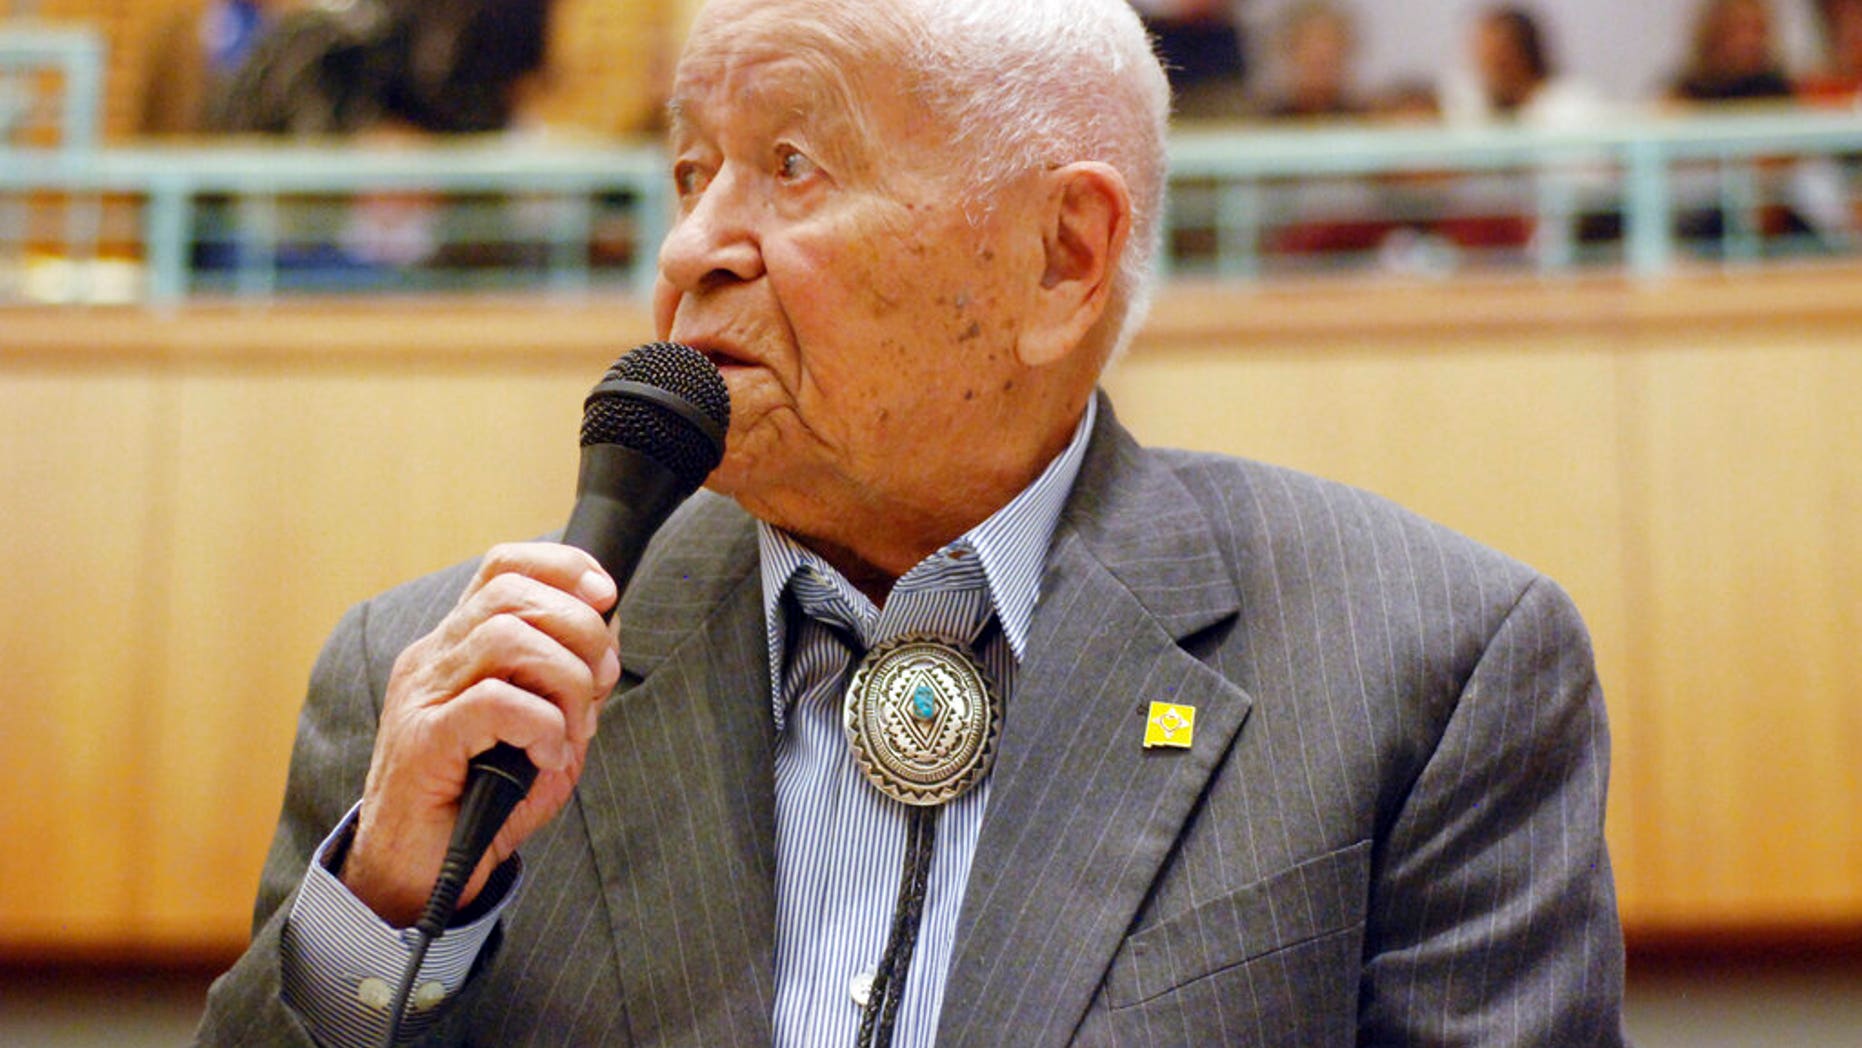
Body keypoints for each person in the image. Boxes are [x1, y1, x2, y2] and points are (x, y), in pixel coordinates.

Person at [195, 0, 1629, 1044]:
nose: (694, 247)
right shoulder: (439, 687)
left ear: (1062, 256)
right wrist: (387, 904)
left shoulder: (1421, 670)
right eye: (691, 175)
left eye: (794, 167)